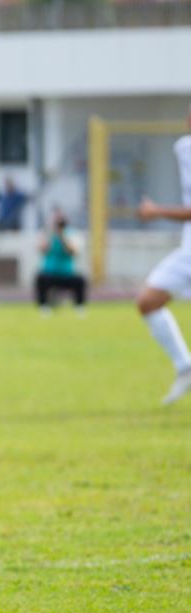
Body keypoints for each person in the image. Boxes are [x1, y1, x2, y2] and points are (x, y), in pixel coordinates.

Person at [135, 105, 191, 406]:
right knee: (148, 301)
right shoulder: (184, 148)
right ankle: (185, 367)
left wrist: (156, 211)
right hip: (188, 250)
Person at [35, 209, 87, 314]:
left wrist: (62, 236)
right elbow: (42, 250)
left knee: (80, 280)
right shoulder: (48, 234)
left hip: (67, 274)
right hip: (50, 273)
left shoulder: (72, 234)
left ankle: (79, 307)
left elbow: (73, 251)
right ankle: (43, 307)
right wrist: (50, 234)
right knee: (40, 278)